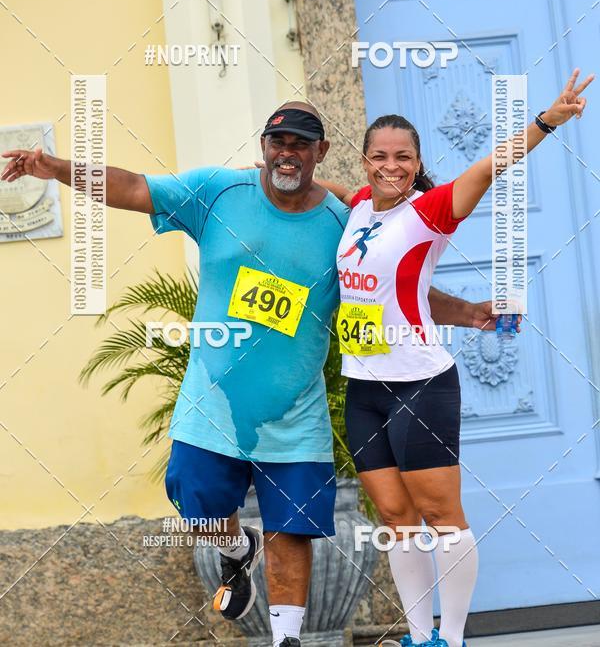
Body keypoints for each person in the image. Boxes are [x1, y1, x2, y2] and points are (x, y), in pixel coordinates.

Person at [1, 102, 496, 647]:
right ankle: (237, 549)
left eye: (301, 144)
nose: (287, 153)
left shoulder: (342, 221)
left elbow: (388, 286)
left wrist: (466, 312)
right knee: (198, 504)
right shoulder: (218, 191)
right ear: (263, 146)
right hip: (213, 407)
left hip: (296, 414)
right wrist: (56, 168)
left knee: (293, 528)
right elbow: (133, 187)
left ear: (321, 152)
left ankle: (288, 640)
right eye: (278, 142)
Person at [320, 70, 593, 647]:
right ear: (366, 162)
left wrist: (547, 120)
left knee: (440, 515)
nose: (390, 166)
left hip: (420, 384)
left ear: (417, 163)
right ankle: (420, 636)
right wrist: (273, 173)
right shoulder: (359, 205)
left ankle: (455, 637)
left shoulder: (432, 209)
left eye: (402, 157)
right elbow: (340, 201)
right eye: (379, 156)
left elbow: (491, 167)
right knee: (396, 518)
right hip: (363, 388)